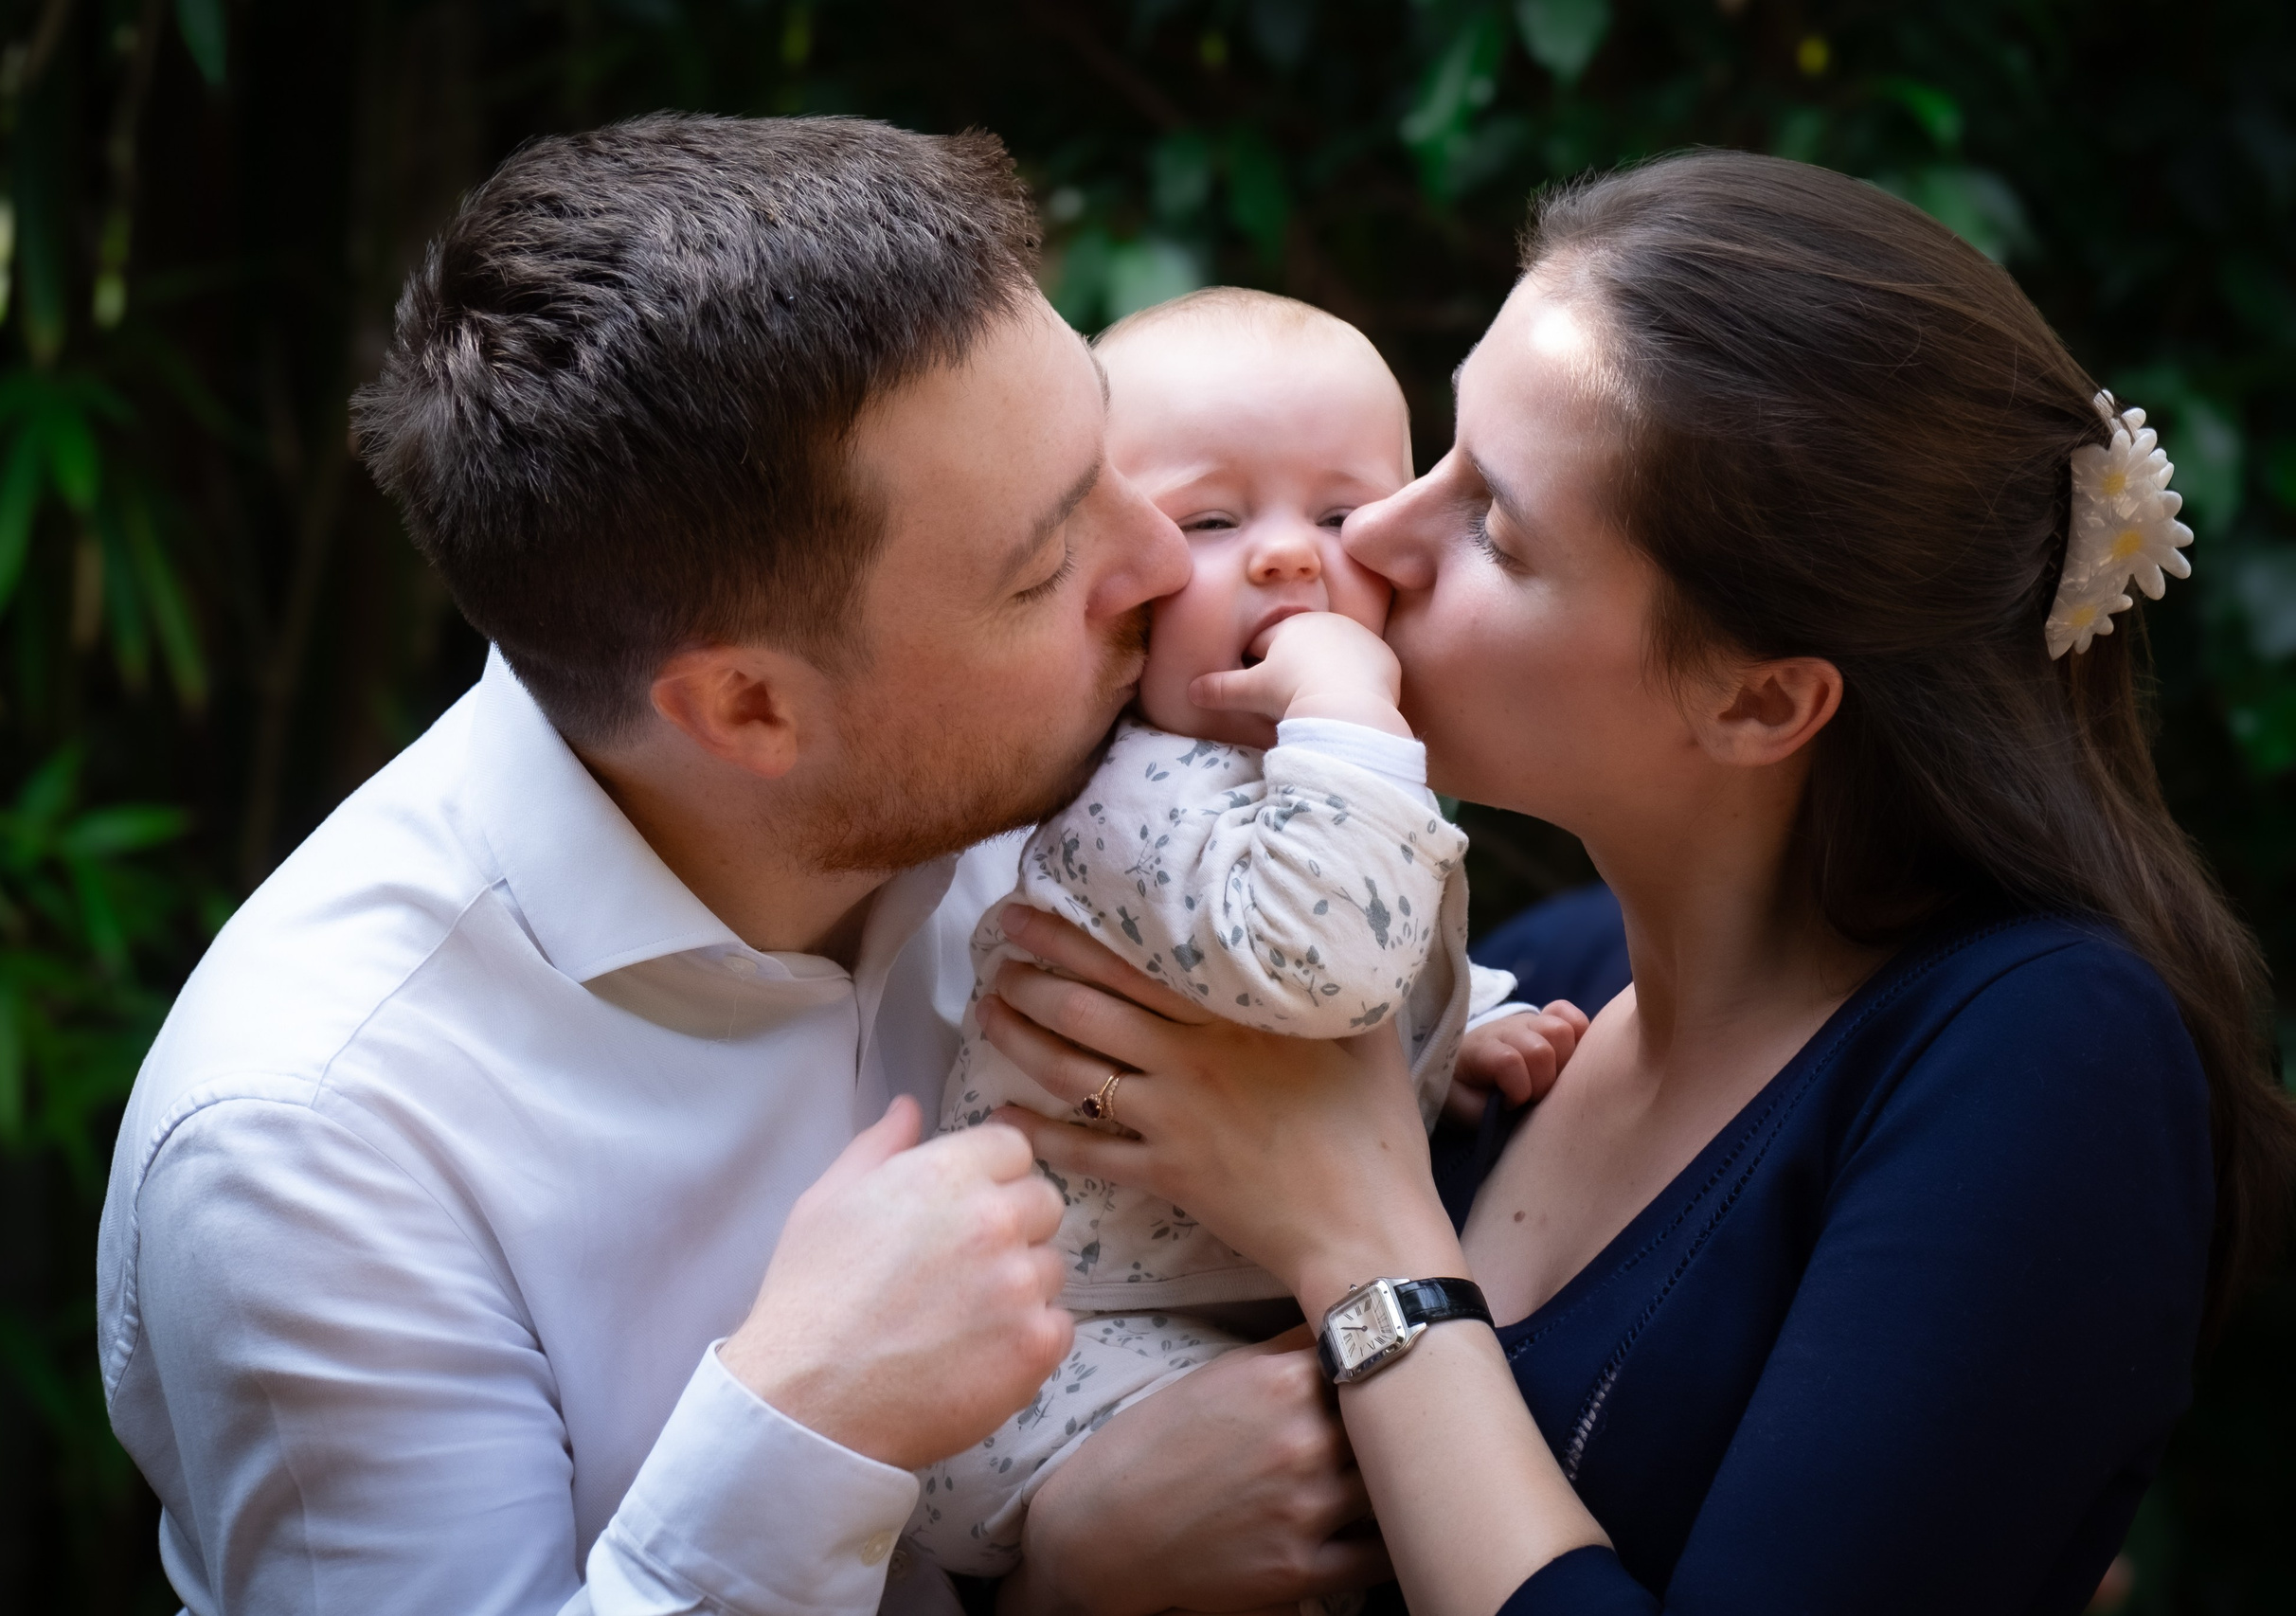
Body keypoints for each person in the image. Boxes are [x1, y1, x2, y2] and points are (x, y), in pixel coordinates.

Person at [94, 115, 1382, 1616]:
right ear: (749, 707)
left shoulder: (1088, 776)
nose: (1164, 564)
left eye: (1111, 452)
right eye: (1044, 569)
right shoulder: (315, 1146)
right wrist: (808, 1433)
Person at [979, 151, 2296, 1615]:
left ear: (1758, 701)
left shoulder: (2044, 1059)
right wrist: (1068, 1564)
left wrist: (1361, 1241)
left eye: (1495, 523)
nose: (1380, 542)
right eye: (1442, 448)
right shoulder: (1525, 986)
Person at [908, 289, 1586, 1577]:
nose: (1287, 557)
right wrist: (1346, 702)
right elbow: (1319, 962)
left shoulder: (1315, 773)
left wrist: (1466, 1024)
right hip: (1065, 1369)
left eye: (1340, 515)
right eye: (1211, 520)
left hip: (1193, 1321)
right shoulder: (1136, 792)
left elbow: (1367, 955)